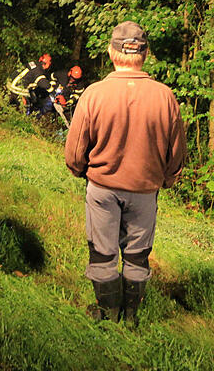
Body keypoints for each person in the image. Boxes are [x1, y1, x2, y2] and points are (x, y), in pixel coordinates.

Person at [64, 22, 186, 324]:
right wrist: (168, 179)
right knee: (137, 253)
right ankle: (132, 315)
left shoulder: (94, 94)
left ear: (111, 52)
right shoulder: (165, 96)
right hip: (145, 191)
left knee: (103, 252)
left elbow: (75, 149)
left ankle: (107, 311)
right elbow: (177, 151)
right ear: (145, 54)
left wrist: (80, 170)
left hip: (103, 189)